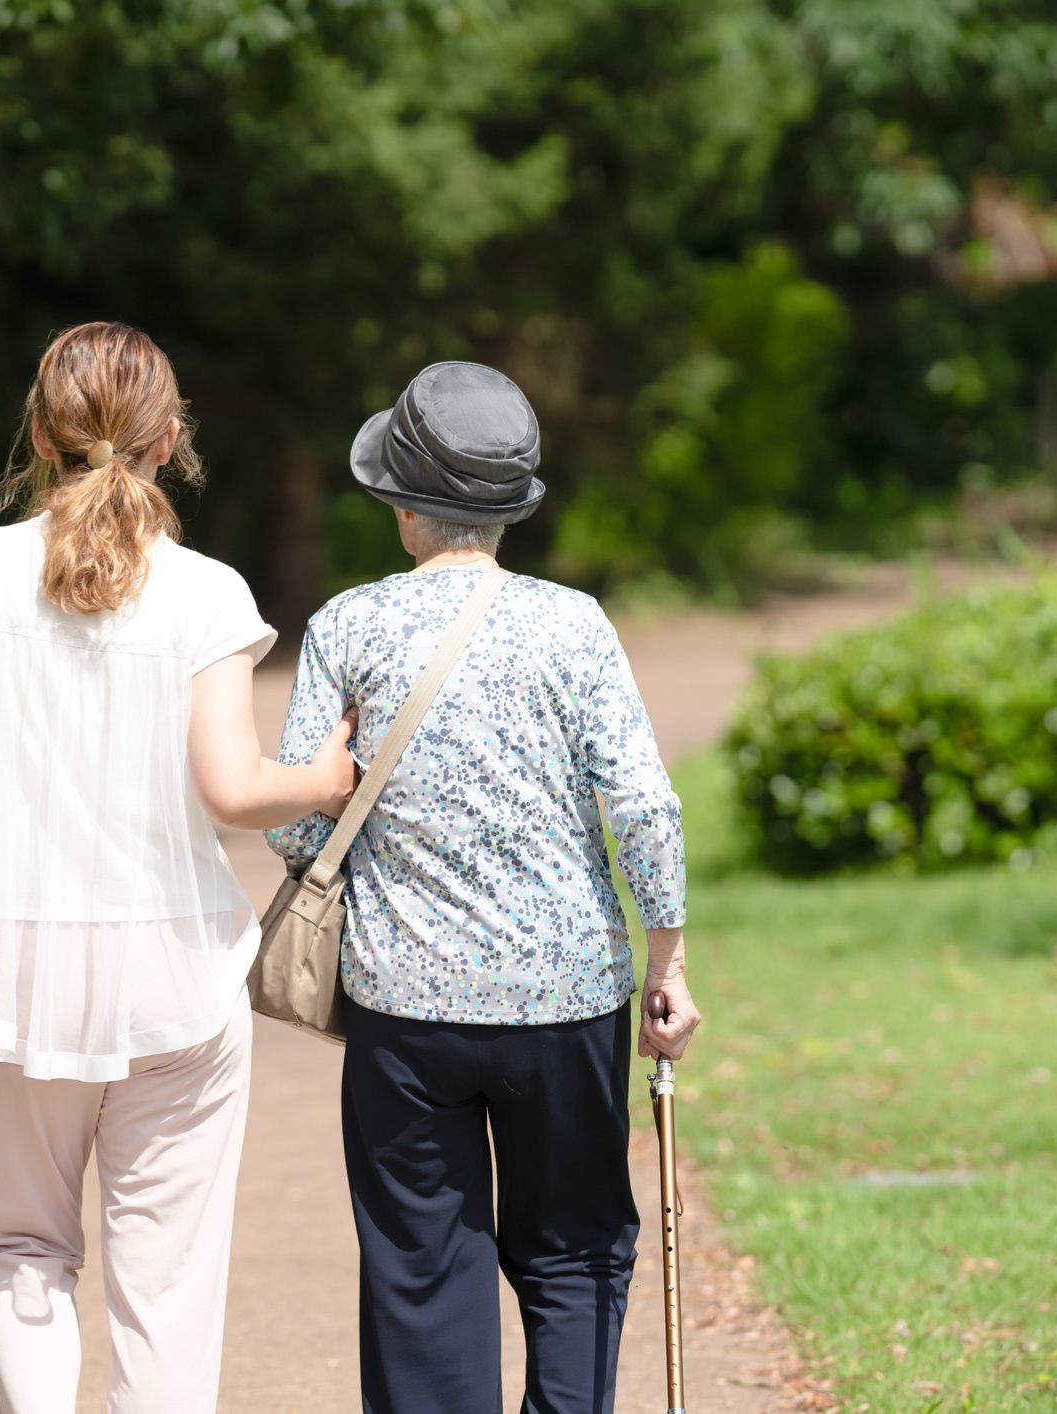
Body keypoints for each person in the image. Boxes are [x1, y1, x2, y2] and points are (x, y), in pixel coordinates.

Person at [0, 321, 356, 1414]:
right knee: (167, 1275)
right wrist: (325, 777)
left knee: (20, 1244)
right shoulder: (205, 590)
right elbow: (233, 785)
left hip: (12, 974)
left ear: (38, 430)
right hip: (175, 968)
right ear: (172, 439)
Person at [267, 361, 700, 1414]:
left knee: (422, 1270)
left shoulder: (348, 627)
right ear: (510, 507)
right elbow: (643, 805)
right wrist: (669, 958)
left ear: (405, 502)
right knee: (577, 1253)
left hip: (404, 1011)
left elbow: (292, 821)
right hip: (566, 1003)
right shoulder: (574, 625)